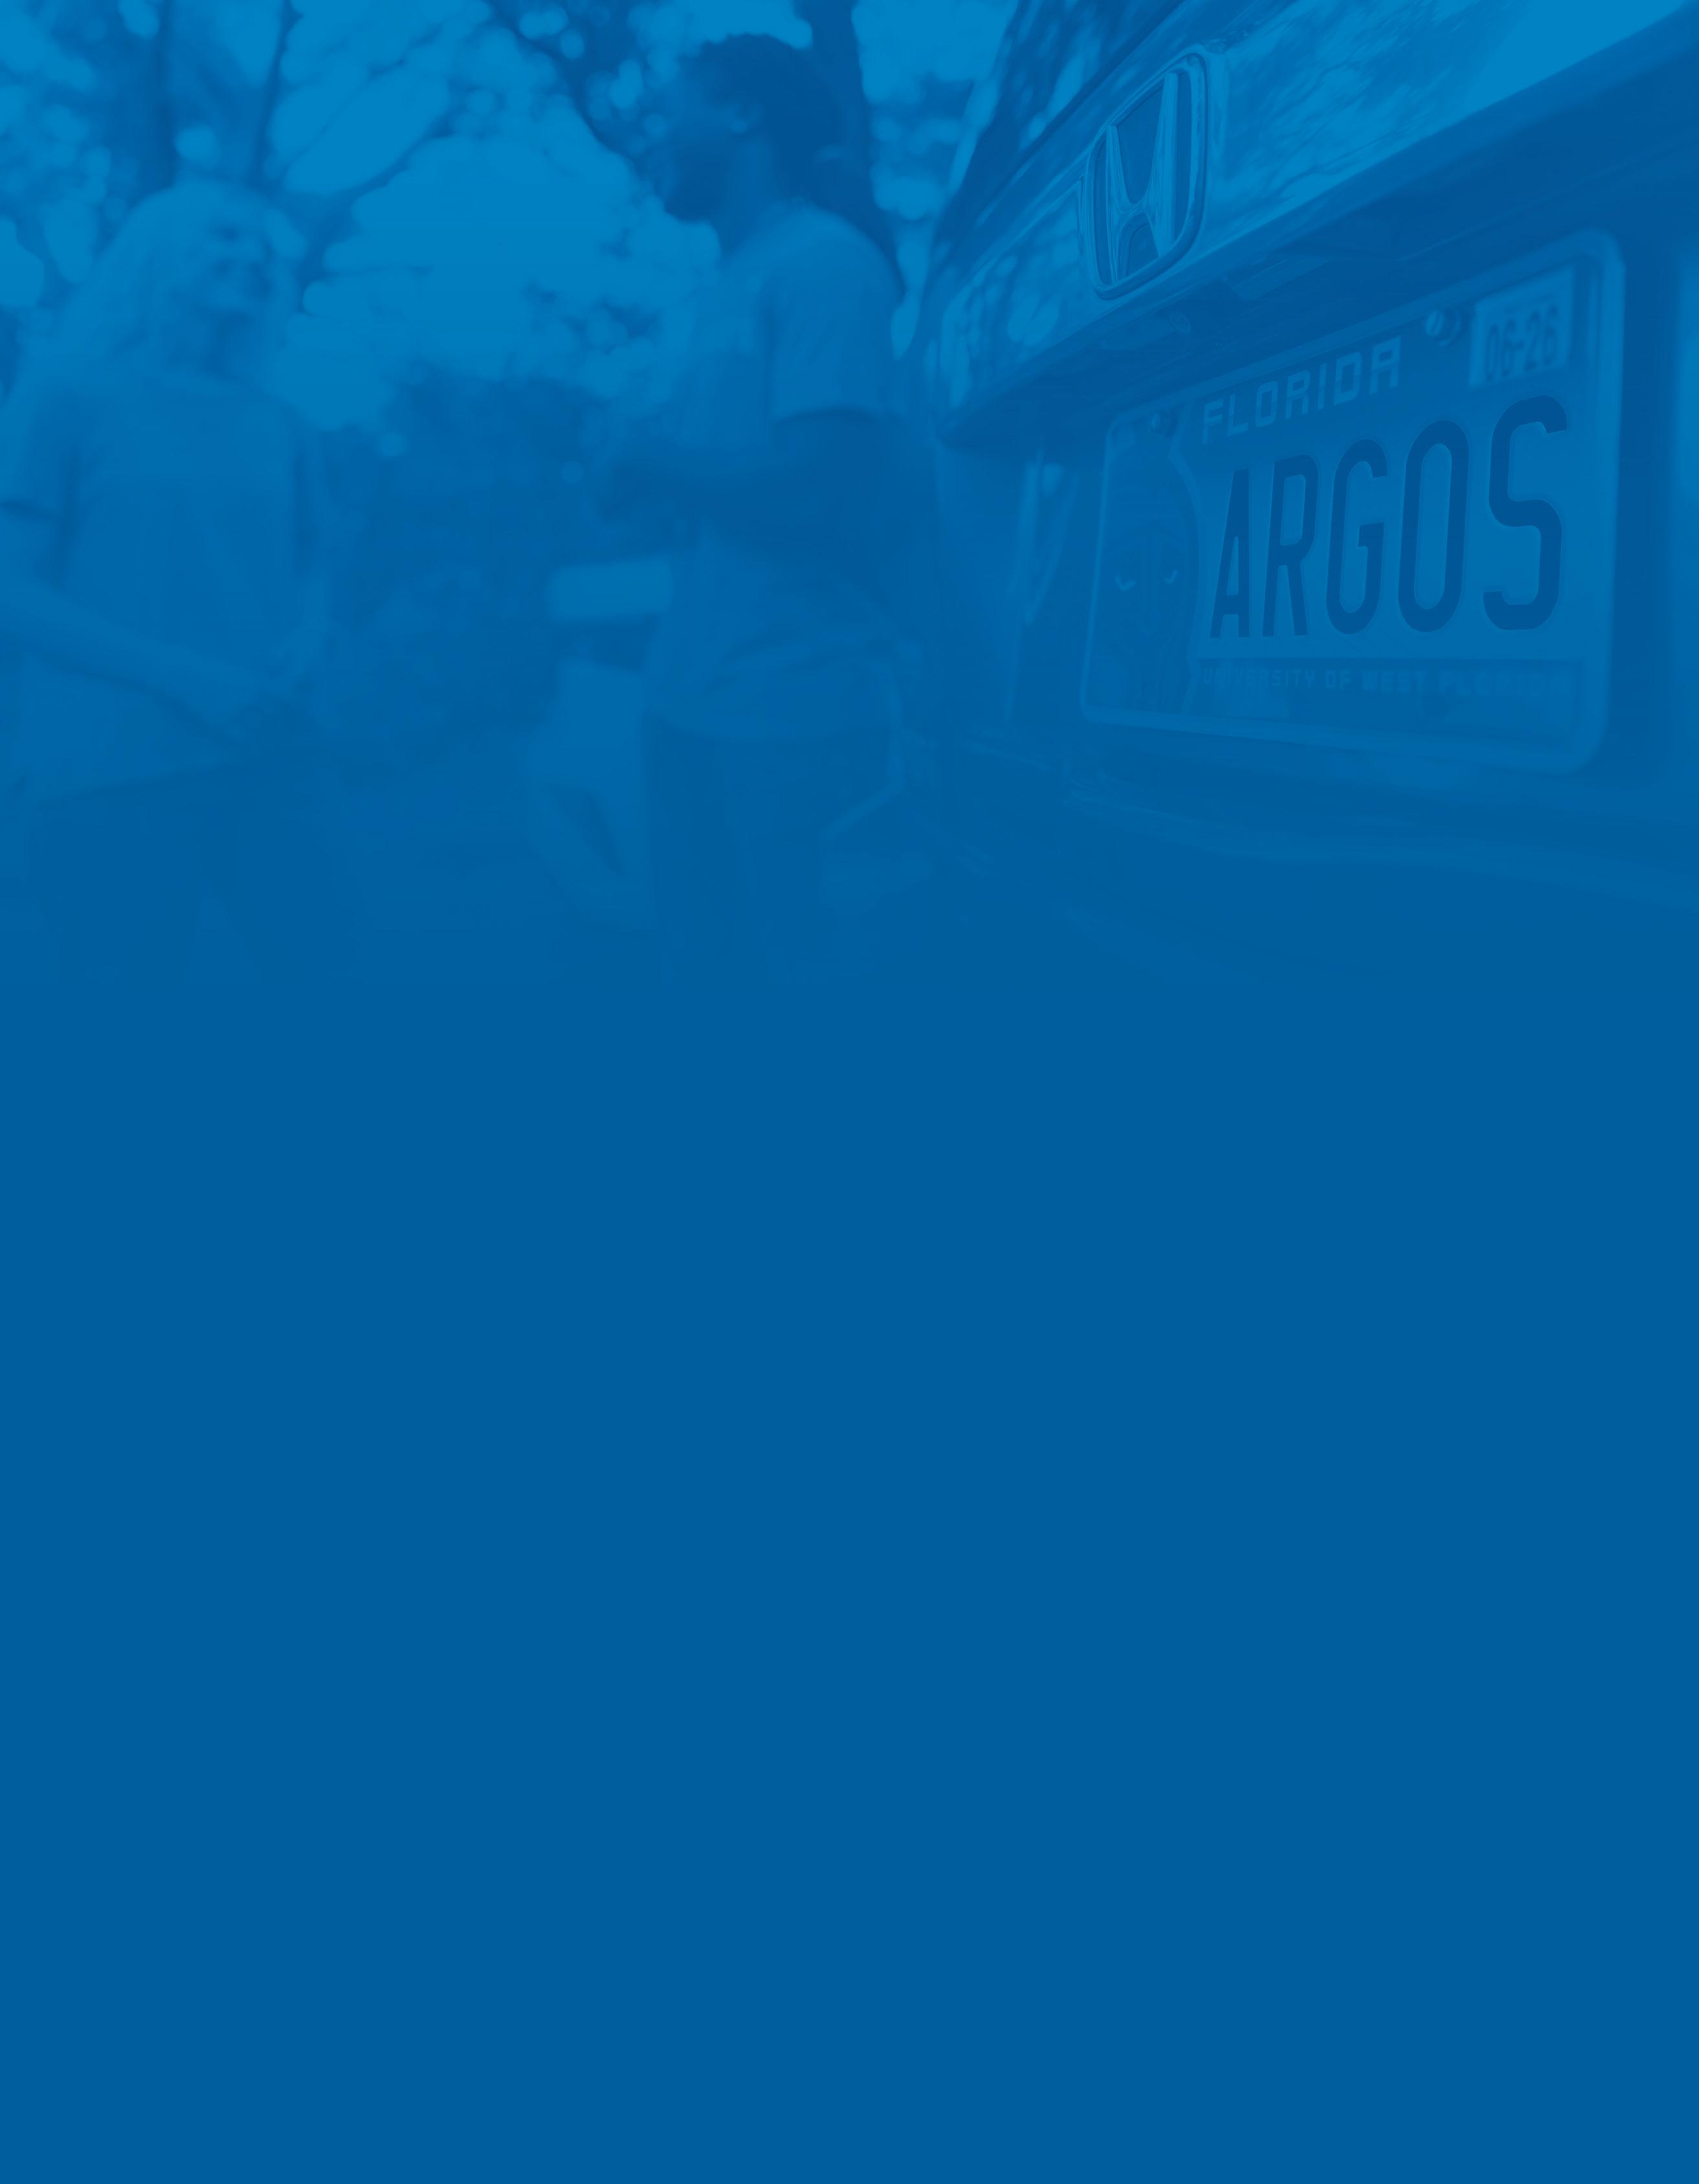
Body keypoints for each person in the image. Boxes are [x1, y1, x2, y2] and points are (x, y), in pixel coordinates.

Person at [593, 35, 907, 982]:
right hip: (688, 701)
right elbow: (727, 487)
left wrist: (648, 453)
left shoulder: (826, 263)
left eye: (671, 109)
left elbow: (819, 490)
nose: (655, 134)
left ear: (742, 114)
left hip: (790, 718)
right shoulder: (730, 283)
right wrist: (645, 481)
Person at [0, 180, 351, 980]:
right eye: (225, 236)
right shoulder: (65, 395)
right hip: (110, 771)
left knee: (342, 996)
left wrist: (313, 632)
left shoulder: (279, 420)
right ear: (154, 254)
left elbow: (313, 560)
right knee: (131, 1030)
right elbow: (9, 590)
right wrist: (184, 677)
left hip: (273, 756)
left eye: (262, 246)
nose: (252, 256)